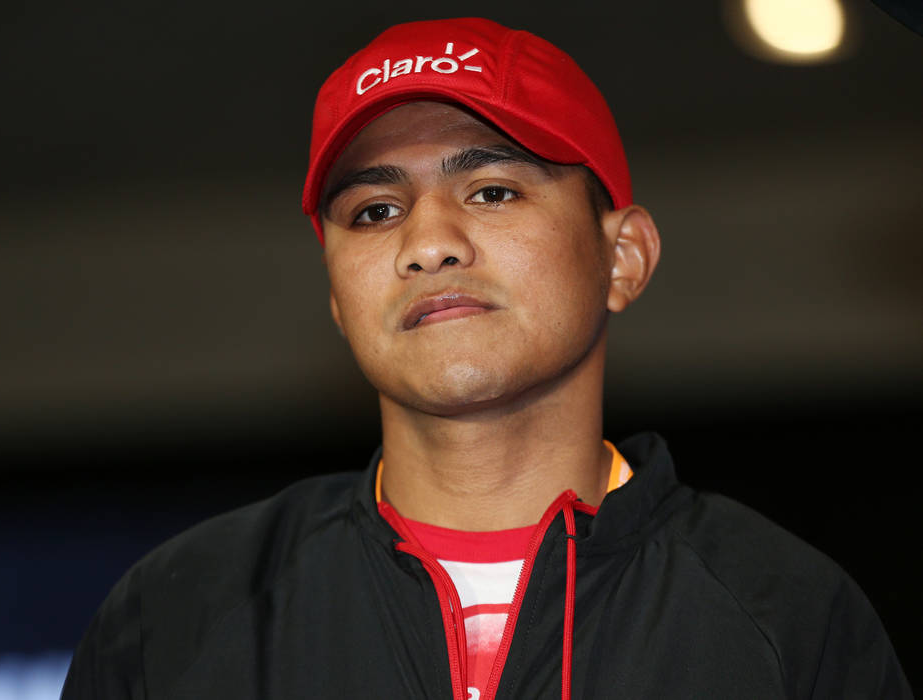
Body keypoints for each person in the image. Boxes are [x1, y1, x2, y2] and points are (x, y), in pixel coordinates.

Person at [61, 17, 910, 699]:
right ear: (337, 300)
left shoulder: (783, 611)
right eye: (374, 211)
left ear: (623, 258)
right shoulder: (178, 616)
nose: (429, 243)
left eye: (493, 191)